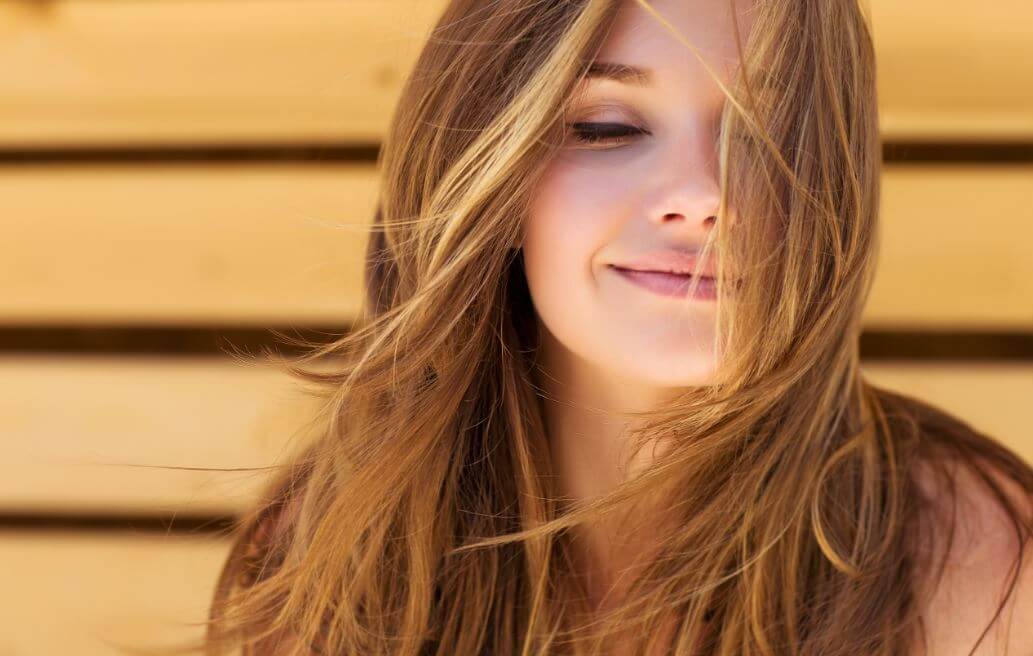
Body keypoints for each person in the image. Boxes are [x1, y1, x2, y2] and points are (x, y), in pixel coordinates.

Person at [186, 1, 1033, 654]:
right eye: (606, 127)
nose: (704, 196)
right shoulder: (332, 553)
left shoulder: (976, 557)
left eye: (772, 136)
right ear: (492, 176)